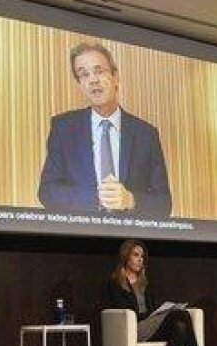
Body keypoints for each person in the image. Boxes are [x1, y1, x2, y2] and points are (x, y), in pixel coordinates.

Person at [37, 42, 172, 217]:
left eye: (99, 71)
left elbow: (164, 204)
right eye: (84, 75)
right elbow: (47, 191)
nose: (93, 80)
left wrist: (131, 200)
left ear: (115, 77)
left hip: (129, 232)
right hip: (82, 231)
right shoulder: (63, 128)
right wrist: (96, 198)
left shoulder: (146, 134)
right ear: (80, 84)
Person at [102, 239, 217, 346]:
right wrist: (153, 316)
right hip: (134, 328)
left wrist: (160, 313)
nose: (140, 260)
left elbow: (153, 307)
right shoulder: (115, 283)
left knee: (180, 327)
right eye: (136, 255)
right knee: (181, 316)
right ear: (126, 257)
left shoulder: (146, 282)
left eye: (142, 257)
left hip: (151, 325)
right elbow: (123, 309)